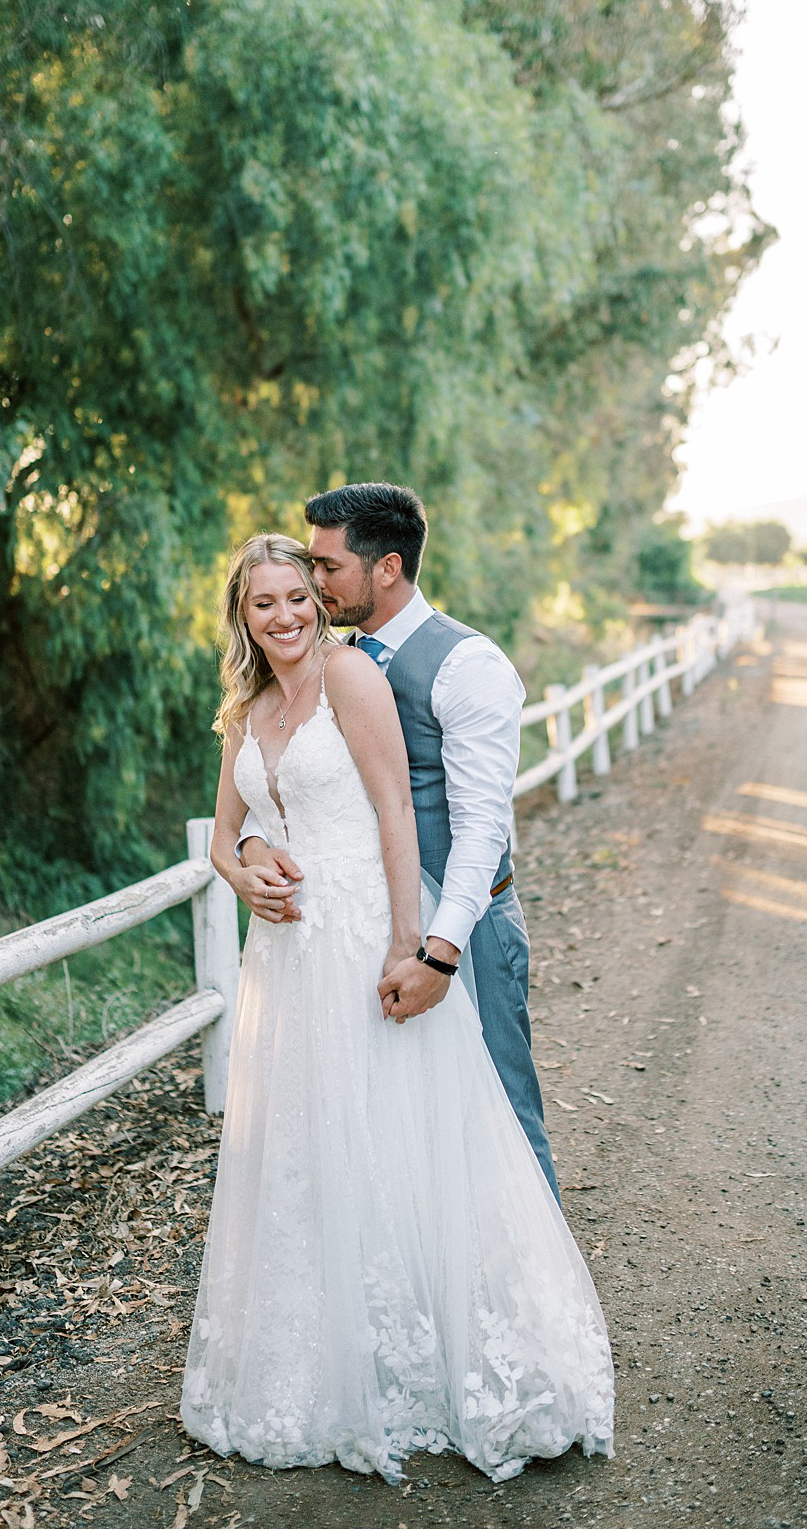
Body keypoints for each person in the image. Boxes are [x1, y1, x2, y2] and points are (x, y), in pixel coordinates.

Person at [180, 532, 613, 1485]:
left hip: (366, 933)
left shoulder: (351, 679)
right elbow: (222, 836)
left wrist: (406, 943)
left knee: (404, 1140)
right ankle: (329, 1357)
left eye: (299, 595)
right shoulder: (245, 709)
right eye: (265, 604)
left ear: (318, 601)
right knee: (307, 1149)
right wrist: (247, 870)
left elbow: (392, 814)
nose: (286, 616)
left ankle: (446, 1358)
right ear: (241, 616)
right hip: (285, 955)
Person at [238, 482, 559, 1201]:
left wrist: (438, 955)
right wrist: (254, 847)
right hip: (358, 925)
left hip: (460, 924)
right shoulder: (324, 661)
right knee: (403, 1126)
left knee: (500, 1118)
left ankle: (541, 1296)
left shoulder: (466, 666)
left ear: (385, 568)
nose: (312, 583)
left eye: (326, 568)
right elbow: (289, 779)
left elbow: (481, 830)